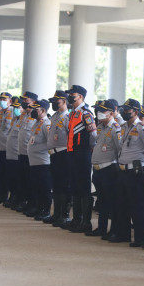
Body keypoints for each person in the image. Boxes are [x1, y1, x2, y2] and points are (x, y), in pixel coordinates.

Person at [114, 98, 144, 246]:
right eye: (123, 109)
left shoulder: (142, 127)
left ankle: (141, 238)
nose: (124, 112)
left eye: (127, 110)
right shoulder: (123, 127)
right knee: (122, 204)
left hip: (135, 171)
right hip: (123, 170)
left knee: (137, 206)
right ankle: (123, 235)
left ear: (135, 112)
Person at [88, 100, 121, 238]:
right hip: (97, 169)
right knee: (101, 201)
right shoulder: (100, 127)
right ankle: (101, 228)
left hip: (109, 168)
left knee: (111, 201)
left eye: (102, 111)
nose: (98, 114)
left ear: (111, 113)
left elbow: (120, 149)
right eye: (98, 111)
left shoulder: (115, 128)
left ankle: (114, 230)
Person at [66, 85, 97, 233]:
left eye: (74, 94)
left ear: (81, 97)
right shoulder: (73, 113)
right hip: (72, 152)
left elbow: (94, 134)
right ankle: (76, 219)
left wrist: (89, 149)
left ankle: (86, 222)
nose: (71, 96)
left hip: (83, 152)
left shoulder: (86, 113)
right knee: (75, 185)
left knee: (84, 187)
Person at [46, 91, 72, 228]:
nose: (54, 104)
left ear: (64, 101)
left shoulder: (68, 116)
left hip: (64, 154)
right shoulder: (55, 116)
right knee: (56, 185)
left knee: (64, 185)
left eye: (57, 101)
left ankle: (64, 215)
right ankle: (56, 213)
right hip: (54, 154)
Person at [27, 100, 52, 221]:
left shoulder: (47, 124)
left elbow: (50, 142)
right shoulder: (36, 123)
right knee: (35, 187)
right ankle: (38, 208)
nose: (32, 111)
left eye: (35, 109)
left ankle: (45, 210)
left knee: (44, 188)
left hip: (43, 162)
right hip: (34, 161)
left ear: (42, 111)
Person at [16, 91, 38, 215]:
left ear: (33, 102)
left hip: (31, 155)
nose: (24, 102)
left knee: (31, 182)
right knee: (23, 180)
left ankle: (32, 204)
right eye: (23, 100)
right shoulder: (23, 115)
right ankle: (25, 202)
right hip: (21, 152)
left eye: (27, 100)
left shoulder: (36, 116)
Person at [5, 97, 23, 209]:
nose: (16, 109)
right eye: (15, 107)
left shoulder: (24, 120)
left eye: (18, 107)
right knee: (10, 177)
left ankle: (17, 198)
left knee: (18, 179)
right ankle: (12, 196)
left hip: (17, 154)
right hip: (10, 153)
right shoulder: (15, 119)